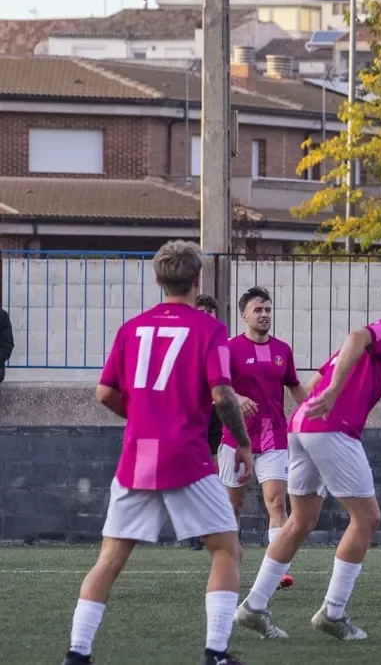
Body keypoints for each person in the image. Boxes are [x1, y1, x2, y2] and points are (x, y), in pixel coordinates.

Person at [62, 240, 254, 665]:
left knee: (109, 559)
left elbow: (104, 392)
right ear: (197, 279)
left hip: (138, 455)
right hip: (186, 454)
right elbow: (223, 394)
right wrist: (242, 443)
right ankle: (216, 653)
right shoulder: (209, 329)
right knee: (226, 549)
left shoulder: (131, 328)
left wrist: (141, 417)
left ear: (158, 278)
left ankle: (77, 654)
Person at [234, 275, 381, 642]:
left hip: (301, 425)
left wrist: (320, 394)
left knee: (301, 521)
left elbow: (323, 373)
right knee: (368, 518)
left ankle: (254, 607)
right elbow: (356, 338)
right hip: (331, 428)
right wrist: (336, 393)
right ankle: (333, 612)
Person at [218, 287, 307, 590]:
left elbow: (295, 387)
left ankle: (278, 570)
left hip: (274, 437)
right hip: (236, 437)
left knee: (277, 501)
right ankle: (230, 565)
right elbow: (216, 389)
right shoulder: (229, 349)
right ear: (244, 315)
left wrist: (312, 412)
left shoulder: (283, 349)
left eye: (268, 309)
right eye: (258, 310)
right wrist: (238, 396)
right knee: (233, 505)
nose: (264, 315)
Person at [193, 293, 225, 553]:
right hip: (192, 415)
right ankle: (195, 531)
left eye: (210, 313)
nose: (207, 318)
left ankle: (209, 529)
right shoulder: (186, 343)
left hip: (216, 413)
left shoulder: (220, 343)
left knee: (214, 470)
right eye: (201, 312)